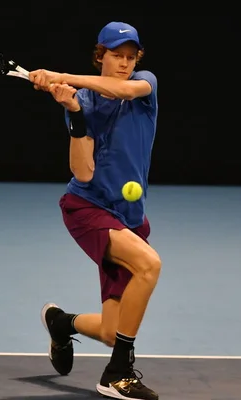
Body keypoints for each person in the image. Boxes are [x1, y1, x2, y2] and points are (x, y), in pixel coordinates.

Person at [29, 21, 161, 400]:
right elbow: (83, 171)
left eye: (129, 57)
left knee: (108, 331)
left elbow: (123, 88)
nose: (124, 63)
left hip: (130, 218)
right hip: (87, 208)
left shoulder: (144, 86)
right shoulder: (82, 102)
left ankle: (60, 322)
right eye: (116, 55)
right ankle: (118, 374)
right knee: (149, 266)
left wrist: (62, 76)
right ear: (100, 55)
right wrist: (74, 112)